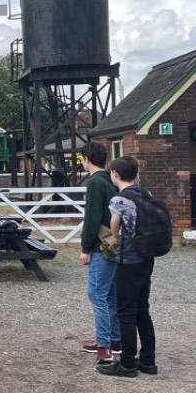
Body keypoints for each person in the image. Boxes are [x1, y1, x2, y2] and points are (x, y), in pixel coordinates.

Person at [98, 156, 158, 378]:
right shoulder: (146, 194)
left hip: (129, 259)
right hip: (146, 257)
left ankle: (127, 363)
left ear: (115, 174)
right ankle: (148, 360)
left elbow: (115, 229)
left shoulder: (120, 200)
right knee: (143, 309)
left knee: (126, 311)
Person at [78, 142, 121, 364]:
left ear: (86, 159)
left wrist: (85, 248)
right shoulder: (111, 180)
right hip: (115, 244)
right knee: (110, 295)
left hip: (101, 246)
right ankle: (115, 339)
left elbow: (92, 218)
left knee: (97, 294)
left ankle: (103, 345)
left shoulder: (95, 182)